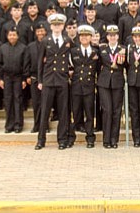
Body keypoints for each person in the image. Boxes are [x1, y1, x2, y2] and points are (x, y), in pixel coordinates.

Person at [35, 13, 73, 150]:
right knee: (45, 111)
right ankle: (41, 140)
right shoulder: (46, 41)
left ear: (63, 26)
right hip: (49, 79)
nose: (57, 27)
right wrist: (40, 80)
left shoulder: (68, 40)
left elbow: (72, 59)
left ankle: (62, 140)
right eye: (54, 25)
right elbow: (40, 62)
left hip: (62, 79)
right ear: (51, 26)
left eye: (59, 25)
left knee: (63, 111)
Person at [69, 24, 99, 147]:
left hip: (89, 87)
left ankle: (90, 138)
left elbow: (99, 69)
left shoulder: (96, 52)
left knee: (90, 114)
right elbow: (70, 67)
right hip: (76, 86)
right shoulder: (73, 51)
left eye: (87, 35)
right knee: (74, 113)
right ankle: (71, 137)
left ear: (91, 37)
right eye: (82, 36)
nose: (84, 38)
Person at [97, 25, 126, 148]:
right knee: (107, 110)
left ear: (118, 36)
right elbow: (98, 65)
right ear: (107, 37)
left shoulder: (123, 49)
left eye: (115, 35)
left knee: (116, 111)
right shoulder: (102, 49)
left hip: (117, 82)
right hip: (104, 82)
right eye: (110, 35)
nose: (112, 37)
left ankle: (114, 139)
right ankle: (106, 139)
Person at [0, 26, 28, 133]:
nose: (12, 37)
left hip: (18, 77)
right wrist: (0, 78)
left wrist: (24, 78)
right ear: (7, 36)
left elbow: (25, 65)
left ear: (18, 36)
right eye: (10, 35)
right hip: (6, 78)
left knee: (17, 100)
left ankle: (18, 124)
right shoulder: (3, 48)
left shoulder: (23, 48)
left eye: (14, 35)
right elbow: (0, 64)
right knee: (8, 100)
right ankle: (9, 125)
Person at [27, 22, 48, 133]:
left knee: (46, 103)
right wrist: (27, 75)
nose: (40, 33)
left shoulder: (49, 44)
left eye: (42, 31)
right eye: (38, 31)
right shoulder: (30, 46)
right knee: (36, 103)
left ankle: (45, 125)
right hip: (35, 77)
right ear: (35, 33)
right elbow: (27, 62)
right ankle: (36, 125)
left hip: (47, 77)